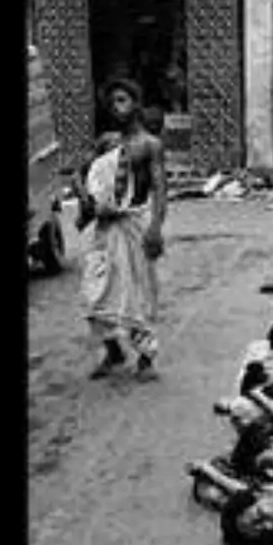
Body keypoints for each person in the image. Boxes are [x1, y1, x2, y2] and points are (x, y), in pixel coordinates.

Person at [79, 79, 166, 379]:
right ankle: (114, 352)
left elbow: (159, 190)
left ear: (136, 104)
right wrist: (90, 204)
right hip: (106, 228)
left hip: (134, 226)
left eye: (122, 100)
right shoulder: (106, 143)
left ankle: (145, 359)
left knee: (138, 293)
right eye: (113, 102)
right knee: (96, 291)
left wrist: (156, 228)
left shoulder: (150, 145)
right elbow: (84, 175)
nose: (117, 108)